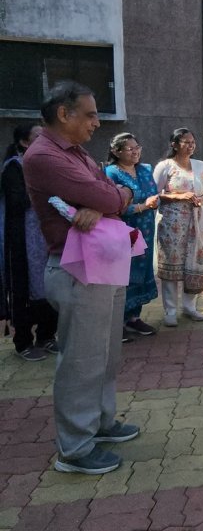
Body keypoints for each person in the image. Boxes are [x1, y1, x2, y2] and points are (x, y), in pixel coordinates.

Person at [22, 81, 140, 475]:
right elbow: (110, 198)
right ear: (63, 114)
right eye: (89, 114)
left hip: (100, 263)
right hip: (76, 268)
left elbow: (115, 190)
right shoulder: (44, 157)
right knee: (81, 360)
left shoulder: (77, 153)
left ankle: (101, 423)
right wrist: (106, 201)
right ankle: (74, 449)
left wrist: (107, 201)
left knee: (105, 354)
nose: (95, 122)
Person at [0, 124, 58, 361]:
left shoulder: (49, 165)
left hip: (48, 237)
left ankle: (46, 336)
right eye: (38, 137)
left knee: (50, 285)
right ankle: (23, 341)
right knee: (23, 287)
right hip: (22, 242)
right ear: (25, 143)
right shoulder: (13, 168)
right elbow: (17, 202)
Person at [154, 129, 203, 326]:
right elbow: (154, 194)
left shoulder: (202, 166)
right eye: (185, 142)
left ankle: (190, 306)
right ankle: (170, 310)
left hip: (197, 222)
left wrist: (201, 199)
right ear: (174, 144)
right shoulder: (165, 166)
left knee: (195, 264)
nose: (190, 145)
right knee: (172, 266)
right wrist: (178, 196)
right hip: (172, 224)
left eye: (192, 142)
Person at [105, 133, 159, 337]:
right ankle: (117, 322)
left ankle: (134, 318)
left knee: (142, 269)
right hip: (124, 230)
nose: (135, 151)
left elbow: (155, 195)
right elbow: (113, 205)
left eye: (137, 147)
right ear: (116, 151)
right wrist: (143, 206)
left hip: (146, 230)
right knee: (123, 272)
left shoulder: (145, 169)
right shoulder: (111, 173)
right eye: (129, 148)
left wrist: (151, 203)